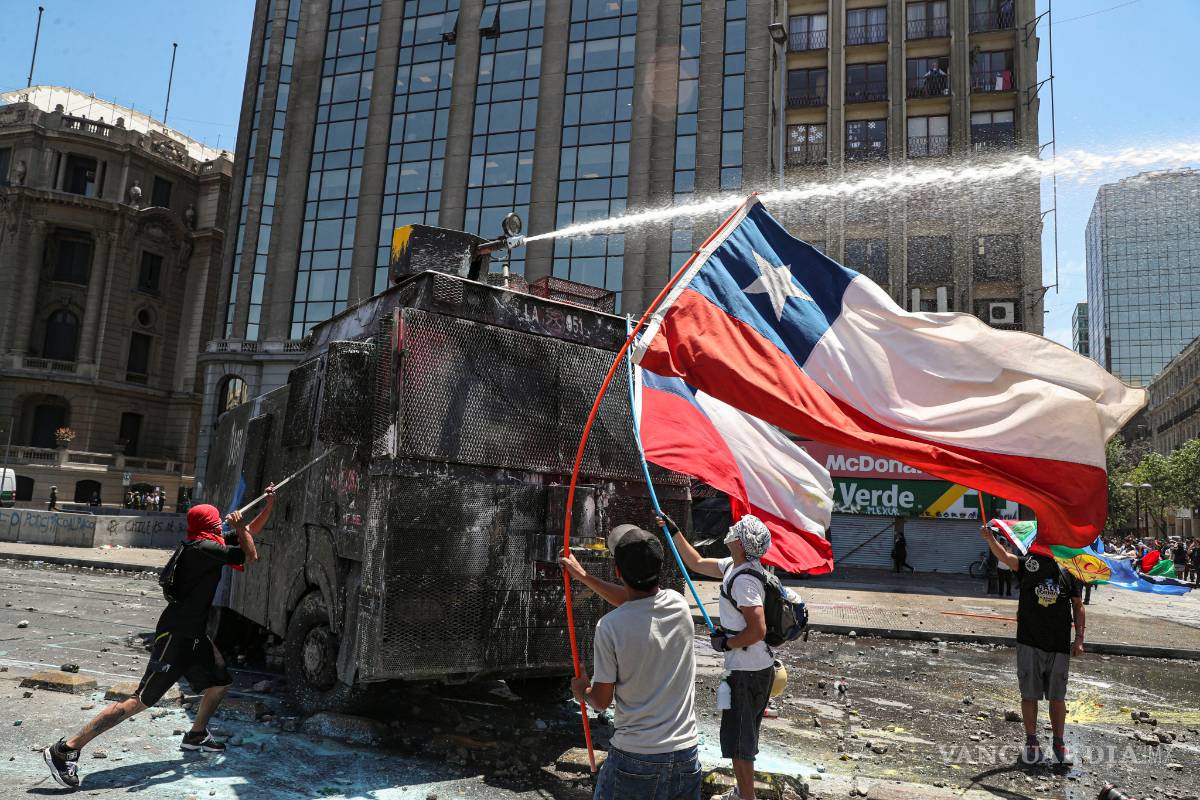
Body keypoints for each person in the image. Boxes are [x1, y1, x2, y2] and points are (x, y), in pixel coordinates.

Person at [43, 487, 275, 790]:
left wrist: (268, 506)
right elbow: (250, 553)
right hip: (176, 636)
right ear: (208, 524)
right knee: (141, 700)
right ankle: (66, 749)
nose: (221, 525)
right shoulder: (203, 549)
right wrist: (241, 527)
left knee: (220, 682)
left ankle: (196, 735)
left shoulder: (205, 543)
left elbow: (247, 536)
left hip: (193, 635)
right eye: (217, 521)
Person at [560, 524, 700, 800]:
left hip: (636, 758)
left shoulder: (610, 627)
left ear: (618, 572)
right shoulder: (679, 605)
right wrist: (584, 577)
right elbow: (635, 600)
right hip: (686, 755)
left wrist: (581, 691)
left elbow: (601, 701)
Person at [660, 513, 774, 800]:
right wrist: (673, 530)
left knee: (739, 742)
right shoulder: (734, 567)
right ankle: (742, 791)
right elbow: (696, 562)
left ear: (741, 542)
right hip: (755, 667)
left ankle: (746, 798)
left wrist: (727, 643)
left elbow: (758, 629)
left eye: (736, 531)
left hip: (748, 672)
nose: (730, 530)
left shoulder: (744, 581)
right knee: (744, 737)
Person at [981, 526, 1084, 766]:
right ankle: (1032, 741)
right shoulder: (1030, 563)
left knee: (1057, 696)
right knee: (1029, 694)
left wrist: (1079, 639)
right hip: (1029, 640)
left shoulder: (1070, 568)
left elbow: (1078, 605)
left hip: (1059, 643)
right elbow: (1006, 558)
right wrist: (989, 539)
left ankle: (1059, 743)